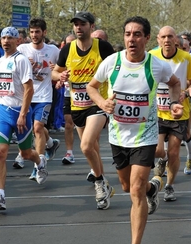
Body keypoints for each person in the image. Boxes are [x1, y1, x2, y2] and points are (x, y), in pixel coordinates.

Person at [85, 16, 187, 244]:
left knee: (136, 190)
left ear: (146, 38)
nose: (132, 39)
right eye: (128, 34)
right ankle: (154, 190)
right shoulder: (112, 62)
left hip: (145, 135)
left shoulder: (156, 65)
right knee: (127, 187)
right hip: (119, 136)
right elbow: (92, 87)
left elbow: (175, 84)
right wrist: (101, 103)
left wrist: (174, 103)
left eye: (137, 34)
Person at [52, 11, 115, 209]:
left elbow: (118, 68)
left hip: (98, 104)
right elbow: (54, 72)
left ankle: (98, 183)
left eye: (83, 24)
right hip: (77, 104)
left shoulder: (102, 47)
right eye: (76, 24)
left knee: (86, 146)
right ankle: (104, 184)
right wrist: (60, 78)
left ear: (91, 27)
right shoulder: (67, 49)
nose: (79, 27)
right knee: (93, 148)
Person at [0, 27, 48, 210]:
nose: (6, 41)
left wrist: (22, 114)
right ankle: (1, 195)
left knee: (26, 153)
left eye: (10, 38)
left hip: (20, 112)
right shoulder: (1, 60)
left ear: (17, 41)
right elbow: (5, 81)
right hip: (4, 110)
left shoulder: (20, 60)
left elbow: (29, 89)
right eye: (3, 38)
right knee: (0, 152)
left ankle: (40, 161)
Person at [149, 26, 191, 201]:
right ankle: (161, 160)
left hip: (179, 113)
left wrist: (188, 91)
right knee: (157, 151)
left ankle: (169, 186)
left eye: (170, 36)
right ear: (158, 39)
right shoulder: (151, 56)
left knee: (174, 152)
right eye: (163, 37)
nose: (167, 40)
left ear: (176, 40)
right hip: (158, 113)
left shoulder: (186, 58)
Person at [12, 18, 61, 177]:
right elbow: (13, 69)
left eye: (37, 32)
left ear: (44, 33)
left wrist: (59, 75)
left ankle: (38, 166)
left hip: (44, 95)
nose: (34, 35)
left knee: (38, 127)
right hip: (25, 95)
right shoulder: (22, 49)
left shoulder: (53, 50)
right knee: (27, 127)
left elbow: (60, 71)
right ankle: (51, 144)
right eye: (32, 32)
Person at [58, 34, 76, 164]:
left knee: (85, 127)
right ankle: (69, 152)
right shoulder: (63, 54)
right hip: (68, 93)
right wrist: (60, 78)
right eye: (67, 43)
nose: (69, 45)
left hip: (87, 95)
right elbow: (58, 72)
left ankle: (91, 152)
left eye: (72, 43)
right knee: (68, 123)